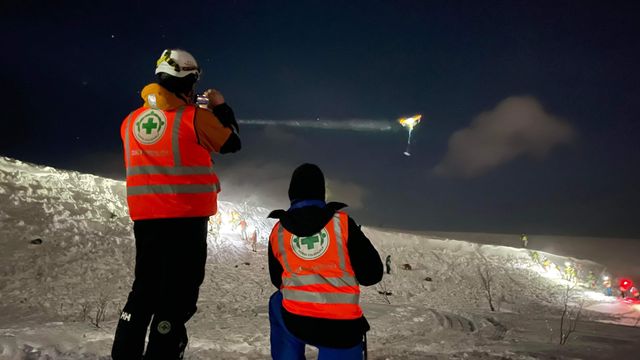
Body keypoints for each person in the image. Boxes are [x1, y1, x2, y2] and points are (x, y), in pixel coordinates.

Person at [112, 49, 241, 360]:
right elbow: (232, 143)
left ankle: (124, 353)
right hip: (186, 220)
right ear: (190, 81)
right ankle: (163, 352)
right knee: (178, 295)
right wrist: (220, 108)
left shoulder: (129, 122)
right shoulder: (196, 118)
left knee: (144, 289)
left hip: (145, 220)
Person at [267, 163, 383, 359]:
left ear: (291, 194)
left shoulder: (278, 231)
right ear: (321, 193)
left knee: (277, 302)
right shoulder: (343, 224)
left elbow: (277, 280)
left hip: (296, 320)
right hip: (341, 329)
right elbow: (372, 275)